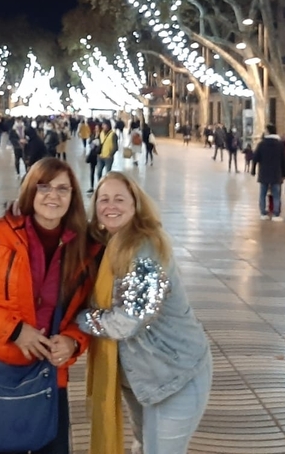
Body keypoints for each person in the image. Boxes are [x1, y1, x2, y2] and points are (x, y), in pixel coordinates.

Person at [0, 158, 100, 454]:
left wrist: (74, 342)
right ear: (30, 192)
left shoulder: (83, 248)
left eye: (63, 189)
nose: (53, 196)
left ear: (73, 198)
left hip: (49, 375)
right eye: (44, 187)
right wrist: (16, 331)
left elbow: (88, 313)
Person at [79, 173, 213, 454]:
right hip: (139, 378)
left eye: (119, 199)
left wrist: (79, 319)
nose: (110, 205)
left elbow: (130, 320)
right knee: (143, 447)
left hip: (175, 375)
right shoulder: (106, 243)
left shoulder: (145, 248)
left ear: (135, 205)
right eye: (103, 199)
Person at [252, 124, 285, 221]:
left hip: (264, 173)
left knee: (262, 194)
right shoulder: (280, 145)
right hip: (276, 173)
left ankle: (263, 213)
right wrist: (284, 173)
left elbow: (255, 158)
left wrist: (253, 170)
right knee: (276, 194)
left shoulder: (261, 144)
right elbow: (284, 160)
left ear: (268, 131)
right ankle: (276, 214)